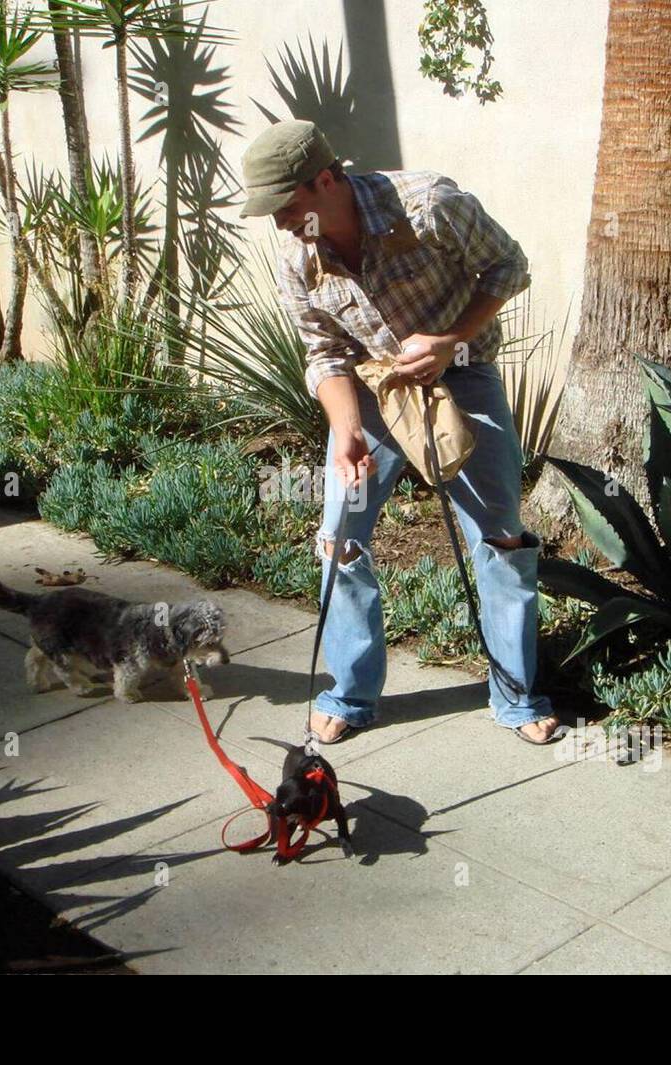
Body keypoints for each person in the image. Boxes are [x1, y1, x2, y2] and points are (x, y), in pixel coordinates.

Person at [240, 120, 562, 746]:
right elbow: (324, 353)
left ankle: (518, 696)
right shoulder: (296, 254)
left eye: (286, 203)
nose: (278, 220)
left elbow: (508, 267)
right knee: (340, 538)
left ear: (326, 178)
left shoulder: (428, 205)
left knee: (501, 535)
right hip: (369, 391)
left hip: (463, 378)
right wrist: (349, 430)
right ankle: (351, 693)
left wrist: (450, 339)